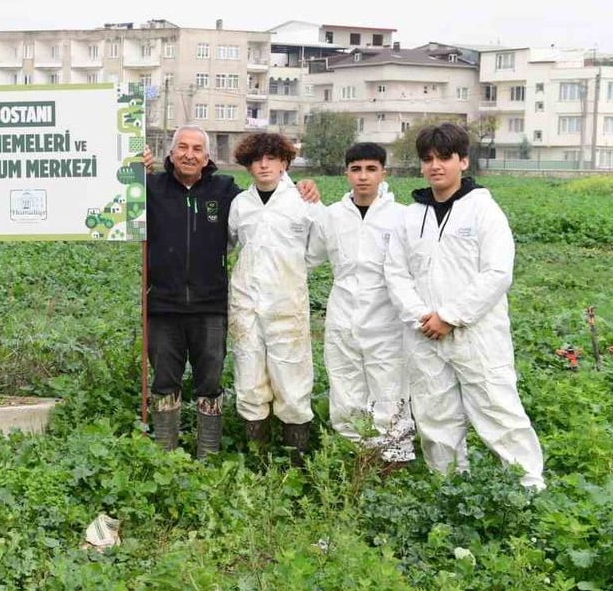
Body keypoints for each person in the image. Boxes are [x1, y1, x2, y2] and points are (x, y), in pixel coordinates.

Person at [384, 123, 545, 489]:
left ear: (463, 161)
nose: (435, 166)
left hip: (476, 334)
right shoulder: (411, 216)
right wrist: (423, 316)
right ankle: (450, 489)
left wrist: (450, 316)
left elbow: (497, 273)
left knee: (498, 412)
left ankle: (529, 490)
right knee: (434, 415)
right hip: (424, 332)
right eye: (428, 159)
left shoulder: (483, 211)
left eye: (444, 158)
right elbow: (395, 272)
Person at [141, 128, 318, 459]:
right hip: (163, 305)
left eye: (197, 149)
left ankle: (209, 455)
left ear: (207, 157)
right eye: (182, 147)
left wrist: (304, 187)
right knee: (165, 380)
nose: (189, 154)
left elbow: (272, 211)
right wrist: (134, 169)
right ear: (170, 152)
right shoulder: (151, 188)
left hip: (211, 306)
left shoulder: (226, 192)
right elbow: (111, 200)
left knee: (210, 382)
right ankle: (165, 456)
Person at [228, 132, 326, 461]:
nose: (264, 165)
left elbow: (318, 248)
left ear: (285, 162)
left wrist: (293, 271)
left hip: (287, 303)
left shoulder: (305, 202)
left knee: (292, 378)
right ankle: (257, 457)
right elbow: (229, 243)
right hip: (245, 305)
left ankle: (293, 461)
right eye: (257, 160)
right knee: (249, 376)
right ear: (248, 166)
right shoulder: (241, 204)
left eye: (272, 158)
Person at [315, 142, 414, 464]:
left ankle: (392, 462)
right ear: (346, 173)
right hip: (342, 316)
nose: (363, 177)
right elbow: (308, 256)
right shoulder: (332, 216)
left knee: (389, 391)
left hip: (386, 320)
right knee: (345, 390)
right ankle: (354, 459)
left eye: (371, 169)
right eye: (356, 169)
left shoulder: (402, 217)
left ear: (384, 173)